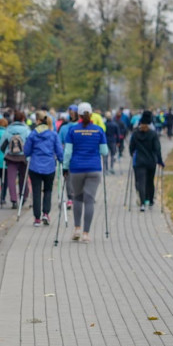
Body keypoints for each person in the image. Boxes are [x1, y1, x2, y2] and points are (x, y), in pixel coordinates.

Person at [64, 102, 108, 242]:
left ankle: (77, 228)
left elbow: (68, 152)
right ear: (91, 114)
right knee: (89, 200)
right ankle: (86, 234)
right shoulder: (98, 130)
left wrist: (65, 167)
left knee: (77, 198)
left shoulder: (72, 130)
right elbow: (104, 151)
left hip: (76, 168)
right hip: (94, 168)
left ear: (78, 115)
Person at [23, 110, 64, 227]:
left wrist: (30, 154)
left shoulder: (33, 134)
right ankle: (46, 213)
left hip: (35, 166)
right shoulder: (53, 134)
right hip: (49, 166)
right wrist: (61, 160)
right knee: (48, 190)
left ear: (38, 121)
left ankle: (37, 218)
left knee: (36, 192)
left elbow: (26, 151)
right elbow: (59, 150)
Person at [129, 110, 164, 210]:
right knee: (150, 181)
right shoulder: (153, 134)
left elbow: (131, 147)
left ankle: (142, 203)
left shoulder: (135, 134)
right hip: (151, 161)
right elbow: (157, 149)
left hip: (139, 161)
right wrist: (160, 161)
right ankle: (150, 200)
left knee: (141, 182)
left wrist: (132, 155)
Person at [0, 111, 31, 209]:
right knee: (23, 178)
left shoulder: (8, 130)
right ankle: (23, 197)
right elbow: (30, 144)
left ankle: (13, 200)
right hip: (23, 157)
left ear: (13, 119)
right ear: (23, 119)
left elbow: (2, 145)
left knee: (11, 179)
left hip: (11, 157)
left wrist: (6, 152)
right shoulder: (26, 130)